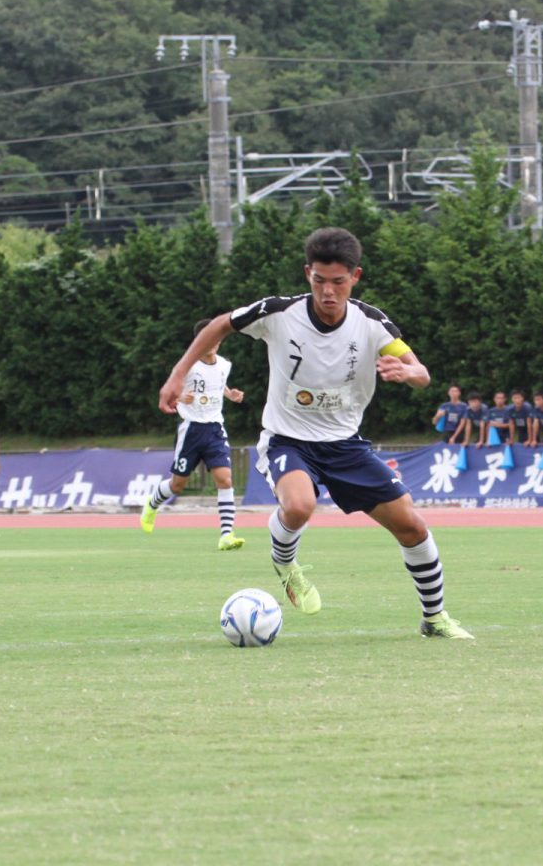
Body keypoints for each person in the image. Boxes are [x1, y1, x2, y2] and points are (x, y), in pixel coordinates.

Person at [158, 226, 471, 639]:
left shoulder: (372, 323)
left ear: (354, 278)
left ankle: (434, 619)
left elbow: (421, 373)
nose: (328, 291)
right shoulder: (278, 312)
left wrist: (408, 371)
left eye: (338, 282)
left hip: (346, 446)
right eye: (319, 280)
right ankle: (285, 564)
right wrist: (179, 374)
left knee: (411, 525)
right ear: (308, 273)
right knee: (300, 505)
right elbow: (219, 325)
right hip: (288, 440)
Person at [139, 327, 246, 549]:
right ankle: (153, 503)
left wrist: (229, 394)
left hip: (215, 428)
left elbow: (217, 382)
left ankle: (226, 535)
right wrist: (180, 398)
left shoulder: (225, 365)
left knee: (225, 479)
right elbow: (171, 393)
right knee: (178, 485)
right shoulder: (187, 366)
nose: (214, 342)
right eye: (209, 339)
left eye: (217, 339)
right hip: (191, 430)